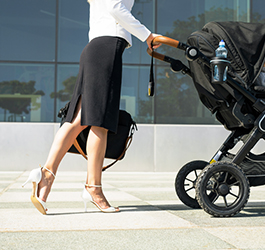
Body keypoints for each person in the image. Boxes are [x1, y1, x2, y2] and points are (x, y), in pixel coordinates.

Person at [22, 0, 162, 214]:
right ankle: (93, 188)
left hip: (96, 48)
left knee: (77, 119)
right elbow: (116, 7)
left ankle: (46, 175)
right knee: (100, 122)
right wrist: (147, 35)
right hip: (107, 49)